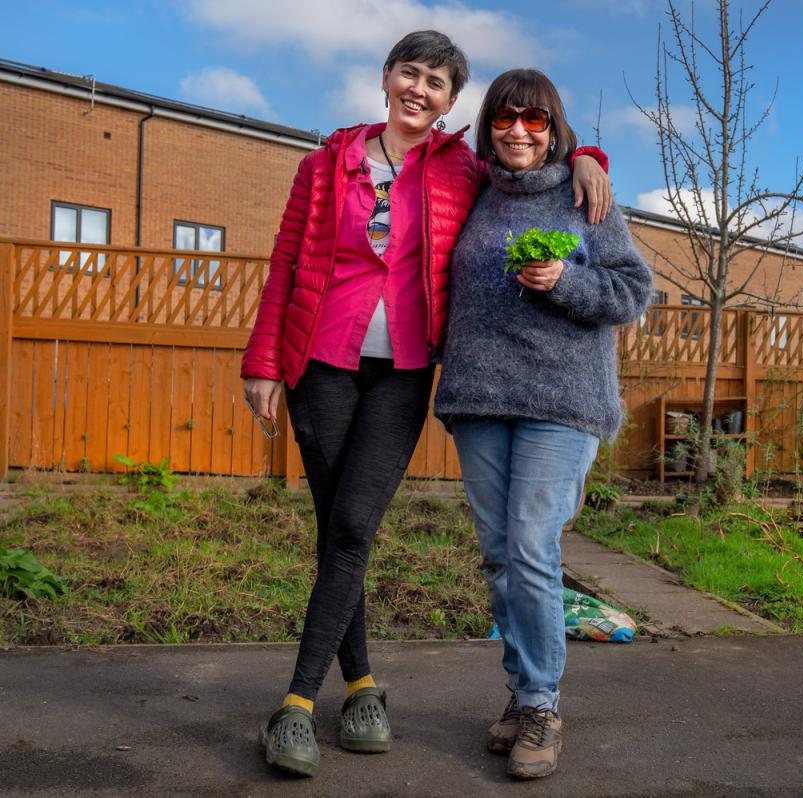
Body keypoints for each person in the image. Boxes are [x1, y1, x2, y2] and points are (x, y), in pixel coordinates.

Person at [239, 32, 611, 778]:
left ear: (449, 102)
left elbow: (527, 162)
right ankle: (364, 689)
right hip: (322, 363)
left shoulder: (458, 170)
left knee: (353, 524)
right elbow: (285, 262)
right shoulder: (324, 165)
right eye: (409, 72)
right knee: (337, 532)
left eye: (437, 82)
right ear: (385, 78)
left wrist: (587, 158)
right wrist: (263, 362)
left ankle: (296, 705)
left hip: (406, 371)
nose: (420, 88)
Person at [434, 68, 653, 780]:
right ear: (488, 125)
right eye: (507, 118)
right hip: (479, 399)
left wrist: (566, 282)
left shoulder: (585, 195)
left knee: (531, 543)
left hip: (562, 401)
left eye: (535, 121)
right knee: (499, 552)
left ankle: (541, 704)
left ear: (555, 130)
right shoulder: (473, 189)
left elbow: (631, 292)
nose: (519, 132)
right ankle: (524, 689)